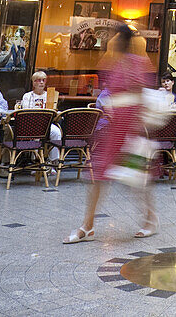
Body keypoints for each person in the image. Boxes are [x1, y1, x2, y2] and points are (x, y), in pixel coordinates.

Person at [64, 23, 157, 244]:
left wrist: (135, 128)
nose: (111, 41)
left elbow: (140, 96)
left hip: (130, 128)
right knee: (99, 175)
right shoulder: (114, 64)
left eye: (114, 38)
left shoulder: (137, 63)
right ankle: (87, 226)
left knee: (137, 178)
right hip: (115, 128)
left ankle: (151, 220)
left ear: (121, 40)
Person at [21, 70, 61, 164]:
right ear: (34, 82)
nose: (42, 82)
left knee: (57, 132)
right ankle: (36, 162)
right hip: (31, 124)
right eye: (39, 80)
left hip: (47, 124)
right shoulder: (27, 96)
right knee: (38, 134)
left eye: (43, 80)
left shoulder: (50, 96)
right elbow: (26, 112)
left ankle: (53, 161)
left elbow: (53, 111)